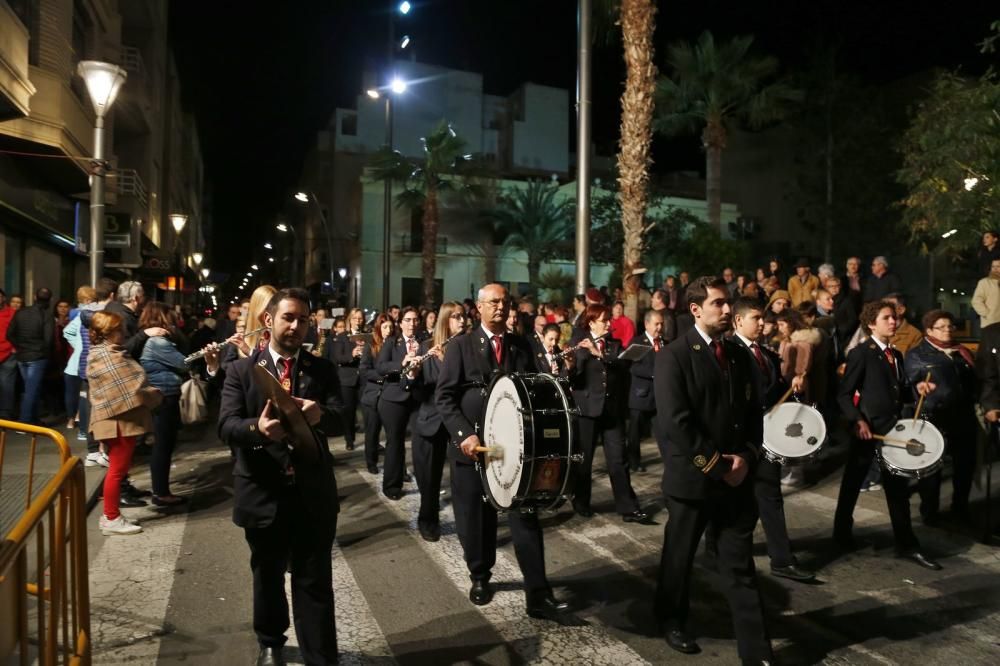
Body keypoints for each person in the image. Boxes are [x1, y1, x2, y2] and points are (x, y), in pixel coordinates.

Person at [218, 287, 342, 666]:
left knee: (314, 579)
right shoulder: (241, 371)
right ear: (268, 320)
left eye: (303, 320)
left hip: (310, 492)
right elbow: (226, 426)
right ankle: (271, 642)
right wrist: (258, 429)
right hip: (262, 491)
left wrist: (321, 413)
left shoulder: (322, 369)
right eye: (289, 318)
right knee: (268, 574)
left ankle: (319, 655)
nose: (296, 326)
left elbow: (342, 415)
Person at [653, 276, 771, 661]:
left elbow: (754, 413)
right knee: (680, 557)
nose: (726, 311)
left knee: (739, 566)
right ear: (695, 309)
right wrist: (718, 465)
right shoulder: (674, 355)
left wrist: (749, 457)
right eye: (718, 304)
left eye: (727, 304)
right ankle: (672, 619)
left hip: (735, 478)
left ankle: (756, 651)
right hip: (694, 479)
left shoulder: (738, 355)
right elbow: (677, 422)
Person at [435, 283, 569, 619]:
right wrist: (464, 435)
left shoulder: (521, 345)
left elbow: (533, 389)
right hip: (474, 450)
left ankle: (538, 593)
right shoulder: (460, 346)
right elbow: (445, 398)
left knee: (525, 515)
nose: (501, 307)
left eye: (504, 302)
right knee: (475, 520)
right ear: (478, 307)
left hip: (513, 449)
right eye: (494, 302)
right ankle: (480, 575)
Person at [833, 300, 942, 570]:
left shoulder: (897, 355)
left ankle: (907, 544)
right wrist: (858, 421)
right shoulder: (861, 353)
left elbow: (900, 391)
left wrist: (918, 387)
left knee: (897, 489)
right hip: (867, 430)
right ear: (871, 323)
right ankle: (841, 535)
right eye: (886, 318)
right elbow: (844, 395)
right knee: (851, 485)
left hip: (892, 430)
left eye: (894, 318)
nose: (893, 322)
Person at [729, 298, 815, 582]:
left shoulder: (765, 353)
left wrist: (792, 386)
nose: (763, 324)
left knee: (770, 495)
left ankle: (781, 559)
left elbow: (775, 389)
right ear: (738, 321)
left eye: (763, 319)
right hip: (739, 440)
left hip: (767, 437)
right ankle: (718, 550)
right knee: (729, 499)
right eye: (756, 319)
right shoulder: (729, 352)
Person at [569, 304, 649, 523]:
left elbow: (621, 368)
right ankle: (581, 501)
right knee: (584, 460)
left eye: (608, 320)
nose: (608, 323)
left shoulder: (613, 345)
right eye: (603, 319)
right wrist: (569, 364)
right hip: (587, 409)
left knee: (618, 459)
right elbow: (575, 379)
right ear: (592, 322)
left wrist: (600, 354)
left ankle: (628, 507)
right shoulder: (578, 344)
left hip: (611, 410)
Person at [87, 311, 162, 535]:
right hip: (118, 421)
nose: (123, 333)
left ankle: (111, 514)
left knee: (117, 470)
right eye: (119, 330)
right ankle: (111, 518)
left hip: (112, 419)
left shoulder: (100, 353)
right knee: (117, 471)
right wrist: (155, 395)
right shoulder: (110, 356)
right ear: (109, 332)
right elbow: (132, 388)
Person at [905, 310, 977, 521]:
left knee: (965, 465)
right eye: (941, 327)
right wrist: (917, 388)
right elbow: (907, 386)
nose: (948, 330)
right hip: (934, 416)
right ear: (929, 331)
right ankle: (930, 510)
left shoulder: (961, 352)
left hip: (963, 414)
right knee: (932, 468)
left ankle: (960, 507)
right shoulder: (917, 355)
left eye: (950, 326)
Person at [404, 301, 467, 541]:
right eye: (456, 317)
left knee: (462, 480)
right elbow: (419, 393)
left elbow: (463, 388)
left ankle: (467, 523)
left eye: (463, 316)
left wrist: (443, 363)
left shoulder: (467, 348)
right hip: (430, 420)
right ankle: (428, 520)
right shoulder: (427, 346)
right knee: (429, 479)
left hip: (457, 423)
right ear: (445, 320)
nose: (462, 321)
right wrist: (411, 375)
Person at [138, 302, 190, 507]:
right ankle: (161, 493)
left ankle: (161, 490)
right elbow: (184, 363)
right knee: (163, 445)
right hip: (164, 396)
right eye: (171, 316)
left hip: (161, 394)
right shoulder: (158, 342)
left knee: (163, 444)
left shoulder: (153, 339)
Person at [376, 307, 423, 500]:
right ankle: (392, 486)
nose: (412, 324)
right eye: (408, 320)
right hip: (393, 399)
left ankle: (421, 483)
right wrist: (401, 363)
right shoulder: (391, 342)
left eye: (415, 320)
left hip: (417, 398)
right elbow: (380, 367)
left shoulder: (424, 342)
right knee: (395, 443)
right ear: (401, 323)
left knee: (420, 443)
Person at [7, 287, 54, 424]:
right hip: (37, 357)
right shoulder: (46, 315)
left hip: (22, 356)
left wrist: (20, 346)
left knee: (31, 388)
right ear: (50, 300)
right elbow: (49, 339)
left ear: (34, 297)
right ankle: (25, 422)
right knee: (31, 390)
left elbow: (9, 334)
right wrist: (44, 354)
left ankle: (34, 419)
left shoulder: (21, 312)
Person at [626, 309, 665, 473]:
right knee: (634, 432)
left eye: (662, 323)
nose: (660, 327)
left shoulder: (664, 343)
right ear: (647, 324)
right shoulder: (637, 342)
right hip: (640, 395)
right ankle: (634, 462)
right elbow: (632, 367)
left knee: (663, 431)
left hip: (659, 397)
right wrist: (655, 373)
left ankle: (669, 459)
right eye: (656, 324)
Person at [327, 308, 365, 451]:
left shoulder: (366, 335)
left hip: (363, 378)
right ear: (350, 320)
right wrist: (352, 354)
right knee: (349, 412)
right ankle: (350, 439)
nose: (358, 321)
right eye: (355, 318)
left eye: (360, 318)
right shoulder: (342, 336)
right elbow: (338, 358)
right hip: (347, 379)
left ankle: (371, 440)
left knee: (368, 411)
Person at [360, 314, 393, 474]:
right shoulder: (371, 345)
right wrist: (383, 376)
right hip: (372, 394)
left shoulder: (394, 345)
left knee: (393, 435)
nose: (388, 330)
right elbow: (364, 370)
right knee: (372, 432)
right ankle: (371, 462)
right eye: (385, 327)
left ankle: (397, 468)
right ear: (379, 328)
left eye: (390, 327)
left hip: (389, 395)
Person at [105, 281, 168, 360]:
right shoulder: (122, 317)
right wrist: (145, 333)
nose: (145, 299)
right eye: (143, 296)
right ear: (136, 299)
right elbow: (123, 348)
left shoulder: (117, 311)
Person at [62, 286, 96, 433]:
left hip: (74, 361)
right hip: (85, 361)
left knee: (72, 392)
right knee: (85, 395)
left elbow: (67, 331)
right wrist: (81, 346)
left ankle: (71, 419)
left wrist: (77, 346)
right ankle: (82, 427)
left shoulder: (74, 313)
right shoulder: (87, 314)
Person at [0, 288, 18, 420]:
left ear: (3, 298)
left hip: (8, 354)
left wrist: (15, 347)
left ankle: (5, 414)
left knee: (7, 385)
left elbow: (19, 331)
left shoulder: (13, 313)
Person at [972, 258, 1000, 329]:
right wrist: (987, 314)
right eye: (993, 266)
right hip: (990, 324)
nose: (995, 269)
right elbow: (976, 301)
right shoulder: (984, 282)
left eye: (998, 266)